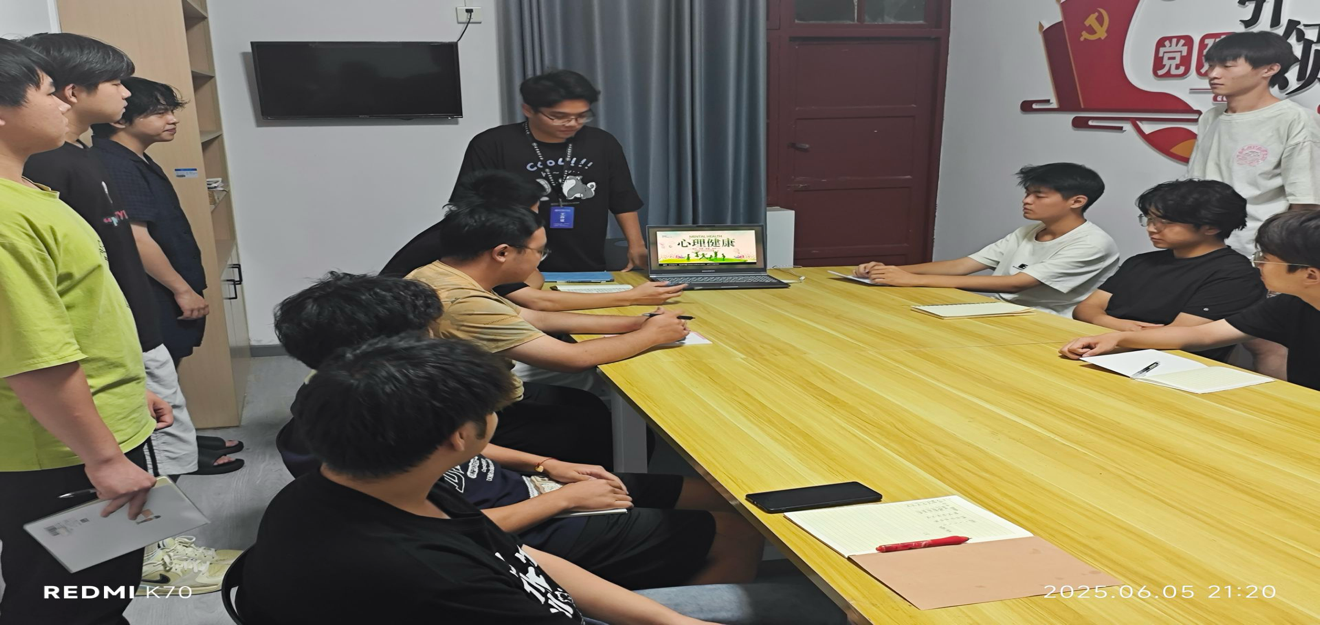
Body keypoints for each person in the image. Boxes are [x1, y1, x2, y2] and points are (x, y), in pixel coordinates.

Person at [238, 334, 844, 624]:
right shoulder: (431, 575)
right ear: (459, 437)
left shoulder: (350, 487)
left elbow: (516, 556)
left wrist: (671, 621)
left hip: (537, 598)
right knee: (823, 609)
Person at [272, 272, 763, 590]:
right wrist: (563, 500)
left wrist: (547, 464)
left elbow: (456, 455)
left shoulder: (381, 394)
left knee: (729, 497)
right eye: (428, 332)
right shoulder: (339, 436)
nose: (437, 338)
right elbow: (429, 535)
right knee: (736, 531)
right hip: (523, 525)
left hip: (529, 491)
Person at [19, 34, 242, 480]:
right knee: (152, 461)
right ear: (72, 91)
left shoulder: (84, 154)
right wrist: (179, 289)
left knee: (161, 431)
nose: (124, 92)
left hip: (132, 327)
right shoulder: (50, 166)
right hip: (111, 334)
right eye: (115, 82)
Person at [0, 38, 162, 624]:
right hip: (61, 452)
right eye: (49, 92)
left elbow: (76, 316)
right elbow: (35, 360)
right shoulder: (5, 219)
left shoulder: (28, 192)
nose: (65, 103)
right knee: (65, 599)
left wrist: (127, 392)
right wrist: (103, 456)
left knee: (103, 590)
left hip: (93, 424)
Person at [406, 202, 689, 466]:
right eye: (539, 252)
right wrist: (651, 336)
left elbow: (536, 317)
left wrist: (635, 324)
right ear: (502, 252)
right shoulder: (463, 301)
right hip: (470, 416)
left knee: (586, 403)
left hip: (471, 394)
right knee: (620, 436)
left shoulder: (440, 273)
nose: (539, 261)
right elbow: (571, 358)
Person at [1061, 210, 1320, 392]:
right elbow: (1202, 334)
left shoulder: (1236, 273)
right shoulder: (1290, 304)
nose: (1258, 264)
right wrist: (1117, 339)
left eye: (1265, 258)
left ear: (1310, 274)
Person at [1188, 31, 1320, 378]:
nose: (1214, 74)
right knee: (1204, 329)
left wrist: (1282, 259)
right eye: (1211, 65)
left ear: (1269, 69)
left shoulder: (1294, 119)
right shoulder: (1211, 116)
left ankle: (1284, 408)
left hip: (1258, 252)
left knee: (1266, 341)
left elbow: (1305, 203)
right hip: (1203, 245)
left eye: (1227, 65)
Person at [384, 169, 686, 311]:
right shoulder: (468, 242)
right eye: (533, 210)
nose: (537, 218)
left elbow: (533, 283)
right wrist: (631, 297)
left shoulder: (465, 228)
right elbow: (537, 301)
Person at [853, 163, 1119, 317]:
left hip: (1048, 321)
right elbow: (962, 265)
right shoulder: (1028, 231)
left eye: (1039, 196)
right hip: (1000, 311)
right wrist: (889, 270)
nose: (1027, 201)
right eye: (1027, 193)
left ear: (1077, 201)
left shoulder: (1092, 243)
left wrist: (913, 280)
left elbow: (1016, 284)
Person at [455, 69, 648, 272]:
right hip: (510, 263)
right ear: (528, 110)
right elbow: (468, 207)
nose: (572, 123)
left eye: (582, 116)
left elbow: (622, 199)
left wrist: (636, 245)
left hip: (586, 259)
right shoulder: (492, 144)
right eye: (558, 116)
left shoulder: (602, 143)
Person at [1072, 179, 1266, 362]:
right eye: (1149, 219)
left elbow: (1178, 336)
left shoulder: (1235, 274)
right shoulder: (1140, 262)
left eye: (1166, 222)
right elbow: (1085, 309)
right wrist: (1122, 326)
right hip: (1101, 346)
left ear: (1211, 227)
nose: (1151, 228)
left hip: (1168, 363)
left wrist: (1113, 329)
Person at [92, 76, 209, 365]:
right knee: (160, 375)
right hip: (154, 292)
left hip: (163, 288)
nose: (172, 119)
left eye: (171, 111)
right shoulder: (117, 166)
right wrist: (182, 290)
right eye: (160, 113)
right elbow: (136, 238)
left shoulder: (133, 159)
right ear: (120, 120)